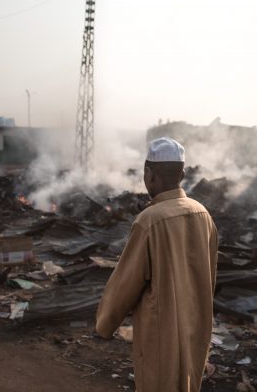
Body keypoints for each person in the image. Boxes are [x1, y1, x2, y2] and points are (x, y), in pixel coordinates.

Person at [96, 137, 218, 392]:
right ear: (182, 174)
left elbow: (126, 283)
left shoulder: (149, 221)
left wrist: (105, 324)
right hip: (196, 327)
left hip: (161, 333)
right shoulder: (202, 214)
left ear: (149, 174)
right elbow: (210, 276)